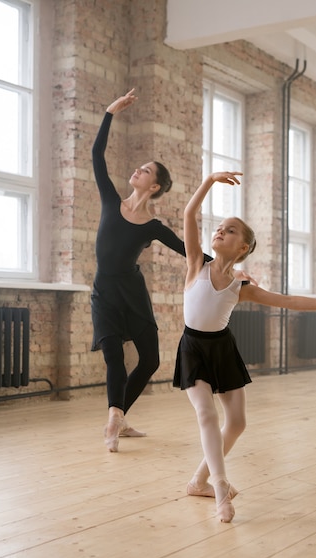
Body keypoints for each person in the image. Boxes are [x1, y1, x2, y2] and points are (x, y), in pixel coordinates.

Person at [173, 171, 316, 523]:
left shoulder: (241, 287)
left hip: (222, 349)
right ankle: (221, 487)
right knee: (206, 414)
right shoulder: (196, 264)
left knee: (237, 422)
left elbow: (287, 301)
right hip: (193, 348)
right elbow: (188, 215)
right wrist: (209, 180)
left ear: (242, 248)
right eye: (220, 227)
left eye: (230, 230)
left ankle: (198, 480)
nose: (220, 231)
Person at [91, 88, 197, 452]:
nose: (137, 170)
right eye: (140, 167)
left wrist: (231, 268)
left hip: (132, 294)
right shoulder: (109, 199)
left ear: (154, 186)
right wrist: (110, 112)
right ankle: (114, 419)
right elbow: (96, 155)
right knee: (113, 357)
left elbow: (188, 251)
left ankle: (117, 418)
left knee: (150, 360)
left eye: (145, 171)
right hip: (104, 292)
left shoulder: (152, 226)